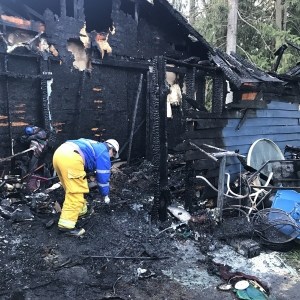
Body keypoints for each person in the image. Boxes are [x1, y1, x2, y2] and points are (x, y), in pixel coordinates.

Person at [52, 138, 119, 237]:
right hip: (71, 158)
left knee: (70, 187)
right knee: (76, 193)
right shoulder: (104, 153)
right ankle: (66, 226)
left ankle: (81, 211)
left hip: (59, 154)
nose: (111, 157)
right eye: (113, 155)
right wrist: (105, 195)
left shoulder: (95, 145)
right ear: (111, 149)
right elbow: (103, 179)